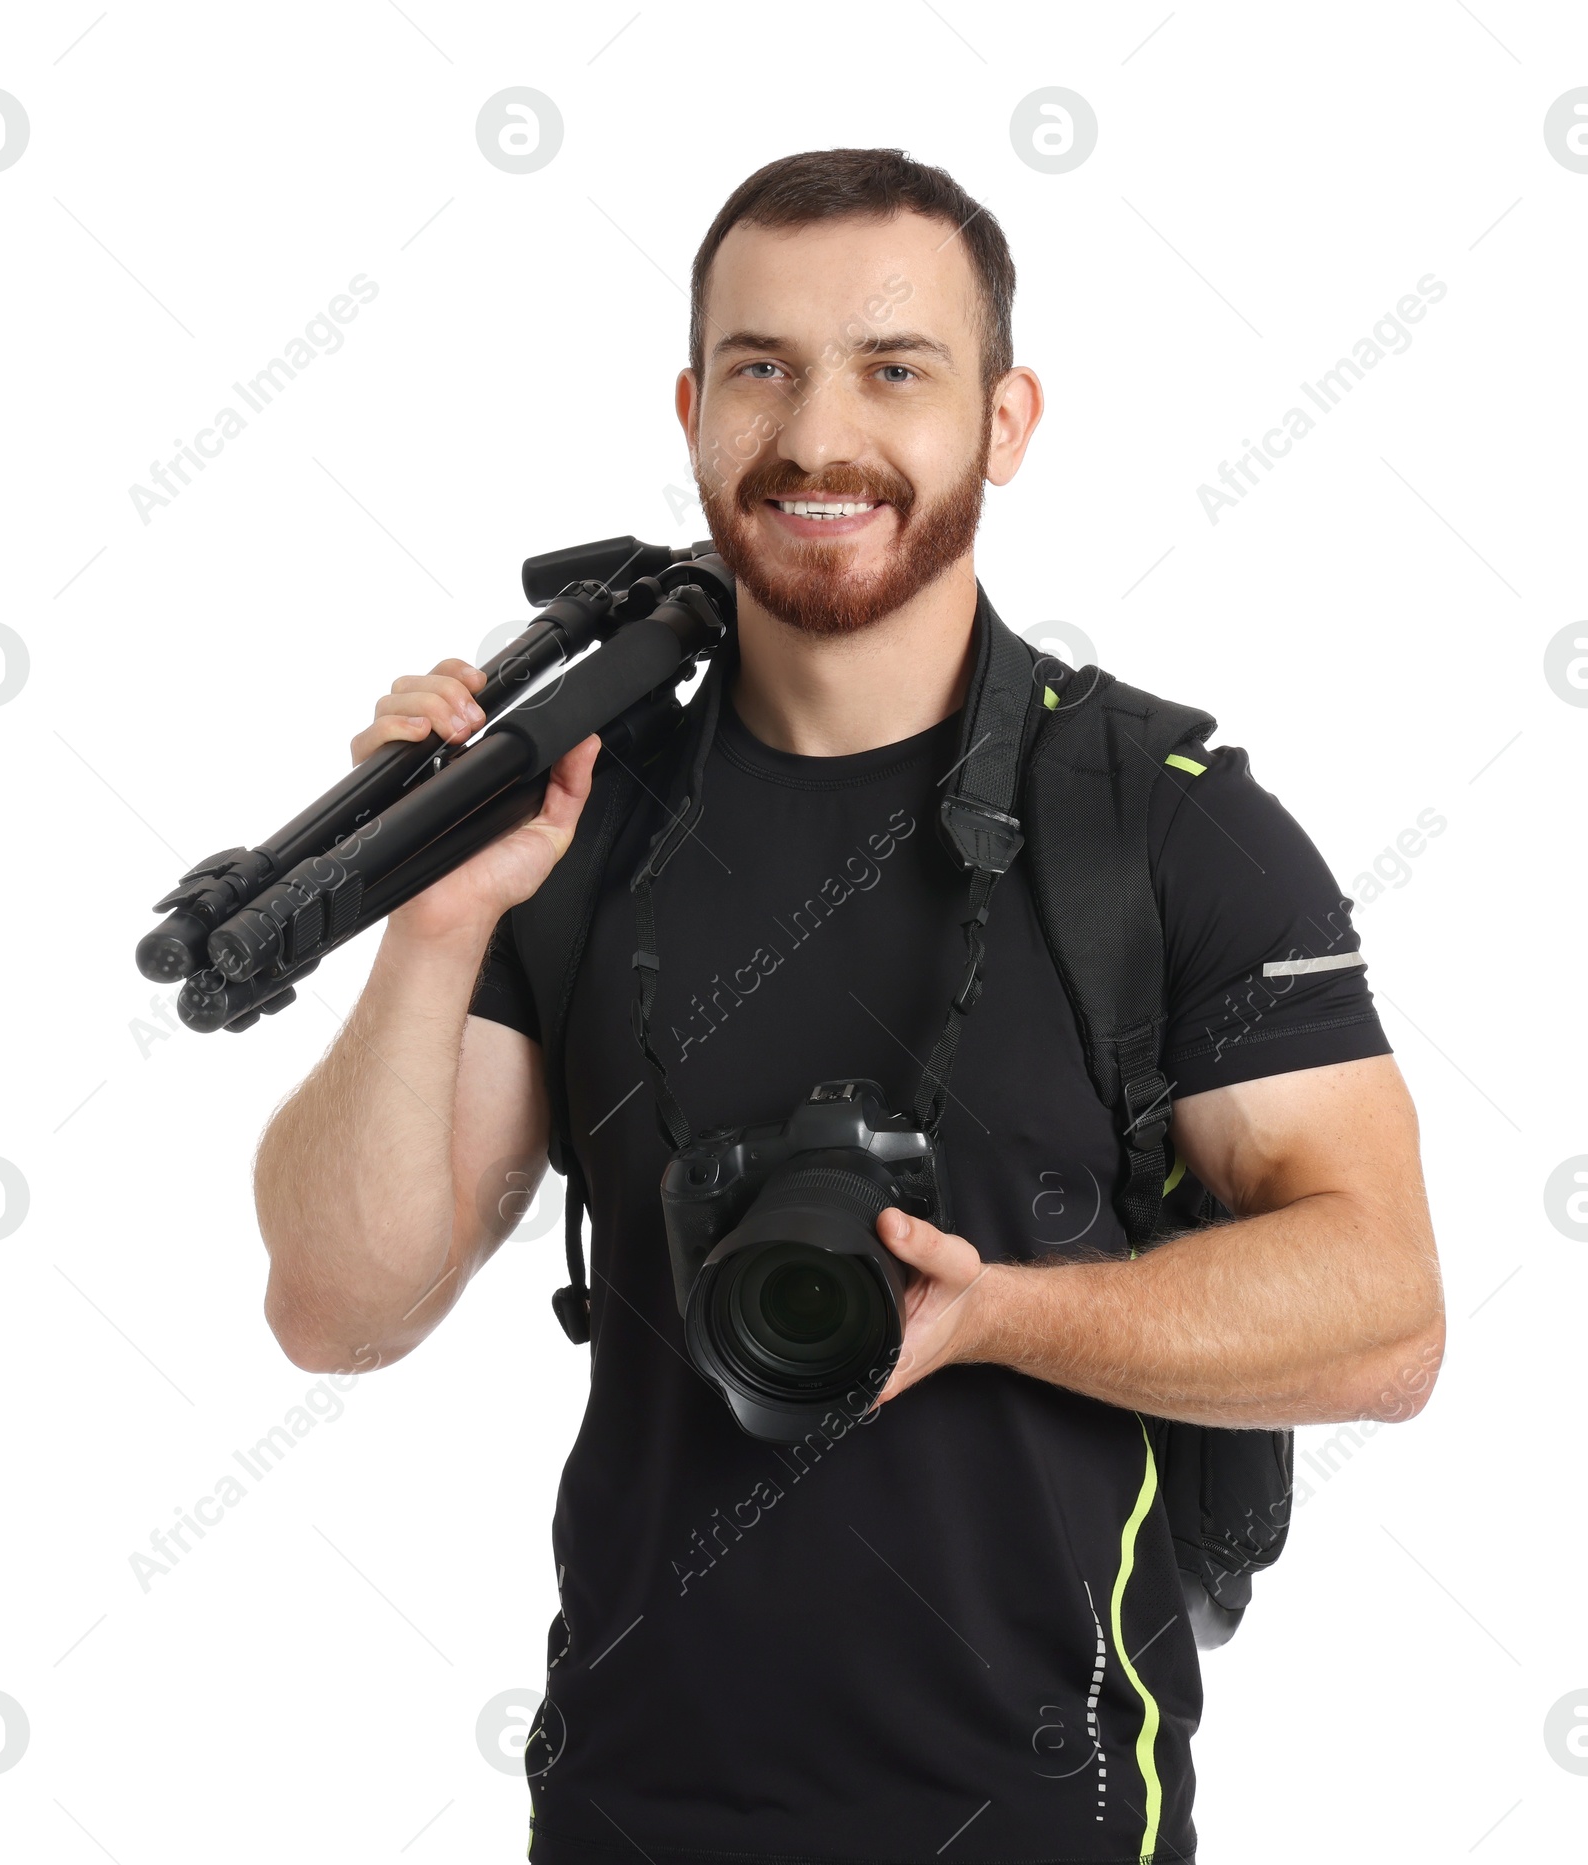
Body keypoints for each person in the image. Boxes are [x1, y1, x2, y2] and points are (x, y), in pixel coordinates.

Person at [253, 148, 1445, 1865]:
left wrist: (999, 1315)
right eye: (763, 368)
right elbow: (334, 1308)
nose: (821, 436)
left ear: (1005, 420)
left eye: (896, 369)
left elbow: (1389, 1316)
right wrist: (432, 920)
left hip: (1051, 1822)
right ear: (691, 409)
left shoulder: (1163, 822)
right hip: (626, 1817)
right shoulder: (570, 819)